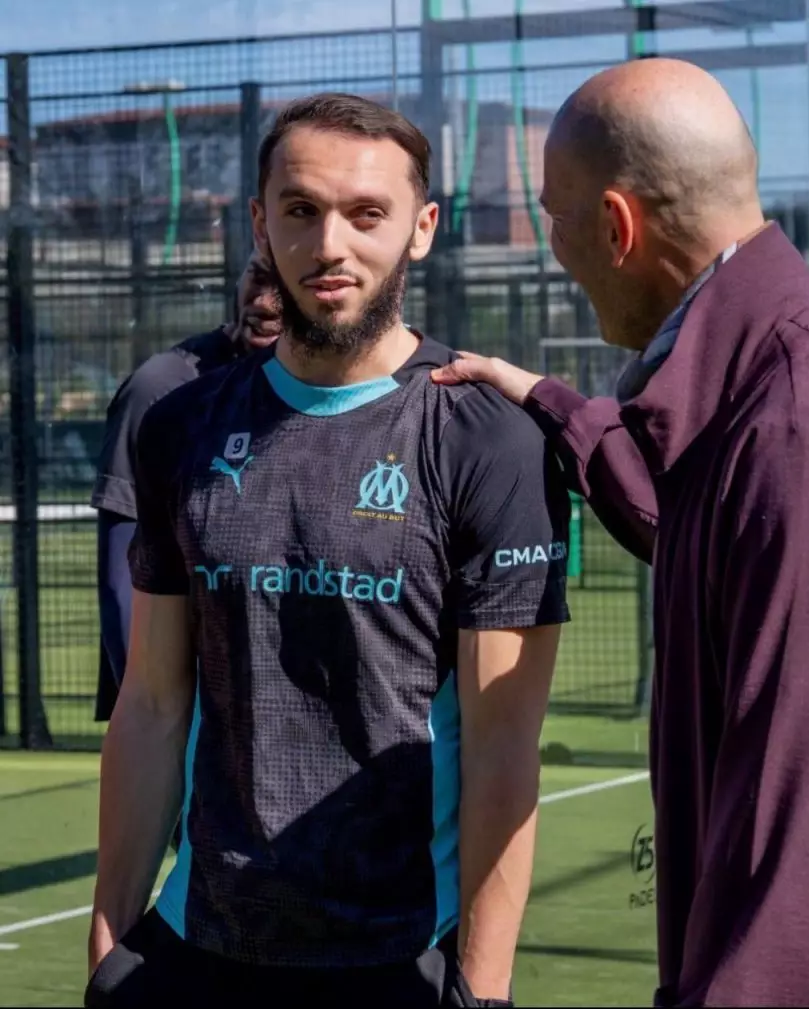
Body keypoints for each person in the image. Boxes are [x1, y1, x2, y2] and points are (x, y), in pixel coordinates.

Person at [431, 60, 809, 1006]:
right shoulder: (761, 399)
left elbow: (788, 837)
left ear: (618, 227)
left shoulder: (802, 427)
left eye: (555, 215)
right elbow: (697, 533)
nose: (554, 246)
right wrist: (552, 404)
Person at [85, 92, 568, 1008]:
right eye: (301, 211)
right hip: (195, 950)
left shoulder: (485, 436)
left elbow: (505, 742)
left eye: (366, 213)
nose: (331, 245)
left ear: (421, 229)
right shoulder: (181, 425)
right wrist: (111, 942)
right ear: (263, 224)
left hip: (399, 960)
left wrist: (485, 989)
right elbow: (151, 700)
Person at [91, 261, 281, 722]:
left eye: (279, 284)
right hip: (191, 718)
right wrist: (155, 719)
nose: (262, 301)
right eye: (256, 276)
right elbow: (123, 579)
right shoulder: (163, 389)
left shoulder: (336, 390)